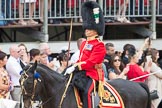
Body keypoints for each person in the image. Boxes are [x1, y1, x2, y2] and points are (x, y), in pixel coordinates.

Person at [64, 1, 106, 108]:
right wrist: (72, 66)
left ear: (96, 30)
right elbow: (81, 58)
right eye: (86, 28)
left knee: (87, 92)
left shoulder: (99, 45)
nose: (86, 31)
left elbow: (91, 62)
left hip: (92, 75)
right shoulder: (84, 43)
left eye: (89, 29)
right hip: (82, 72)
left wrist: (77, 67)